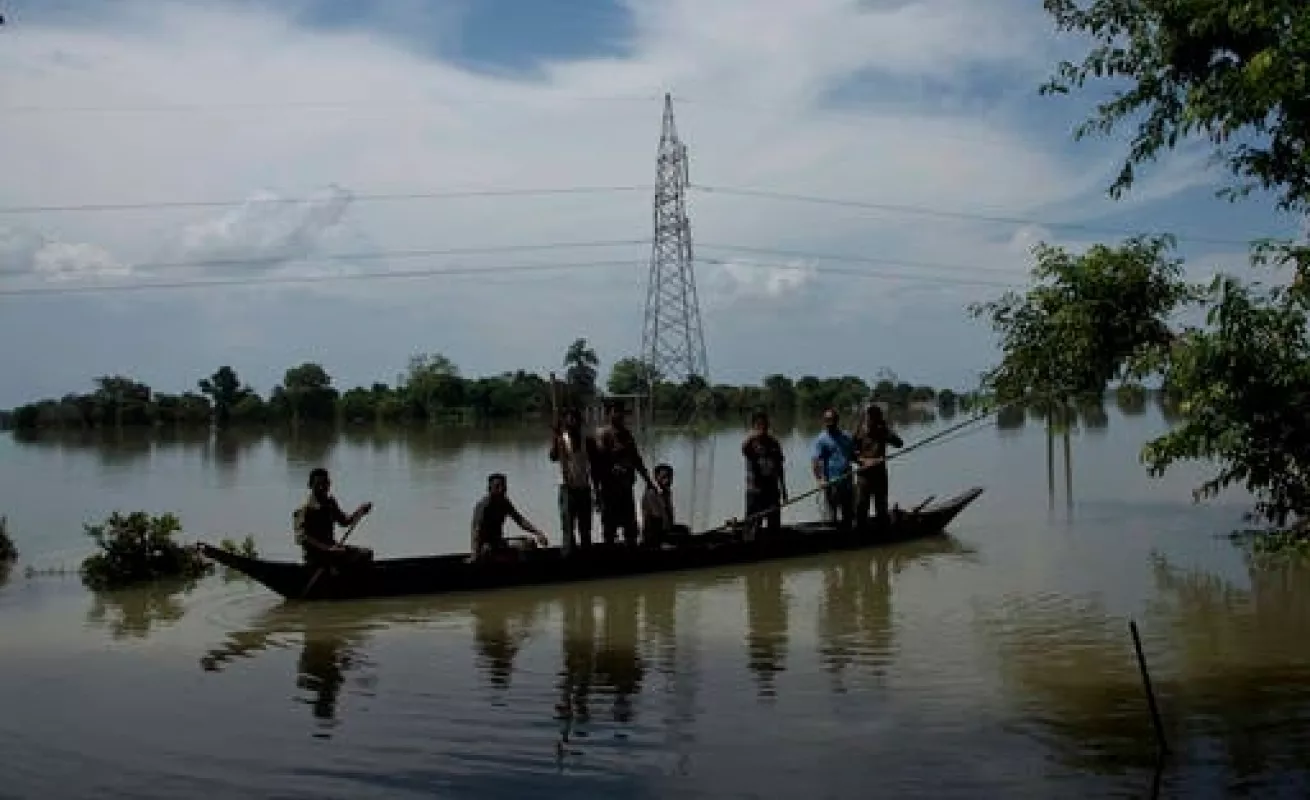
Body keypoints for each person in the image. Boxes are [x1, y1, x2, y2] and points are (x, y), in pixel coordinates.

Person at [594, 399, 658, 546]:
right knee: (610, 528)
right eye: (615, 411)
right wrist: (596, 491)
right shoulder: (603, 434)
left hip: (626, 486)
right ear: (608, 414)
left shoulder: (627, 434)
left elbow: (637, 460)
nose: (619, 415)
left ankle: (631, 555)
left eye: (621, 412)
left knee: (630, 527)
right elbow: (598, 462)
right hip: (609, 489)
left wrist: (648, 481)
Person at [292, 467, 374, 568]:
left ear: (329, 484)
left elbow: (344, 521)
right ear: (310, 485)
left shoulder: (330, 504)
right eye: (318, 484)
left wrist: (360, 511)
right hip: (315, 555)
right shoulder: (304, 510)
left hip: (333, 550)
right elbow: (301, 538)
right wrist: (327, 549)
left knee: (367, 554)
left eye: (325, 483)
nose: (322, 487)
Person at [548, 406, 602, 553]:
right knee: (568, 529)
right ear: (565, 422)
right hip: (567, 490)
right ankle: (568, 558)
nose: (572, 422)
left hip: (584, 488)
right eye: (569, 419)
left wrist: (596, 491)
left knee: (585, 529)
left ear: (579, 422)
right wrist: (554, 435)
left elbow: (595, 468)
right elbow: (552, 457)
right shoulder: (561, 440)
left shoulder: (587, 440)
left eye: (575, 419)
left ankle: (586, 559)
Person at [470, 473, 549, 562]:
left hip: (498, 542)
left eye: (503, 487)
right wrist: (475, 554)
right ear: (489, 489)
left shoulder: (504, 502)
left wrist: (538, 532)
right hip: (485, 546)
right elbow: (476, 530)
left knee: (529, 542)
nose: (501, 490)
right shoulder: (484, 506)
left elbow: (519, 520)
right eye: (497, 487)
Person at [852, 403, 904, 530]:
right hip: (864, 476)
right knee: (861, 507)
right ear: (866, 416)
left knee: (881, 507)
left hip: (880, 475)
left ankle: (883, 534)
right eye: (870, 415)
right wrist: (863, 461)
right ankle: (860, 533)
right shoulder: (859, 431)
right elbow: (851, 453)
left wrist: (886, 429)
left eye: (875, 415)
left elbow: (899, 443)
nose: (872, 418)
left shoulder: (883, 430)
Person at [742, 409, 788, 533]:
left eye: (765, 424)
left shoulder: (774, 443)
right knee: (752, 525)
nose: (763, 427)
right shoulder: (750, 443)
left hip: (772, 490)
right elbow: (743, 449)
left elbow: (780, 467)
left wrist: (784, 489)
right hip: (755, 491)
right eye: (759, 424)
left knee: (774, 525)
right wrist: (754, 435)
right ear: (754, 426)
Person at [810, 408, 856, 530]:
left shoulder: (846, 436)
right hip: (831, 482)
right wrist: (820, 480)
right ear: (824, 421)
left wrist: (864, 461)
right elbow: (815, 461)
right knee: (832, 513)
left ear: (837, 420)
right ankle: (834, 535)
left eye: (832, 420)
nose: (830, 423)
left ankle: (848, 533)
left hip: (847, 480)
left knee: (849, 512)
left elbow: (853, 455)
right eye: (827, 420)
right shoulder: (821, 439)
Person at [641, 463, 690, 548]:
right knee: (682, 536)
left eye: (670, 477)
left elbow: (669, 517)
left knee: (685, 530)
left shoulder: (666, 492)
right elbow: (656, 519)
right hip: (654, 533)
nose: (668, 480)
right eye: (664, 477)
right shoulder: (652, 493)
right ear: (656, 478)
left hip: (664, 529)